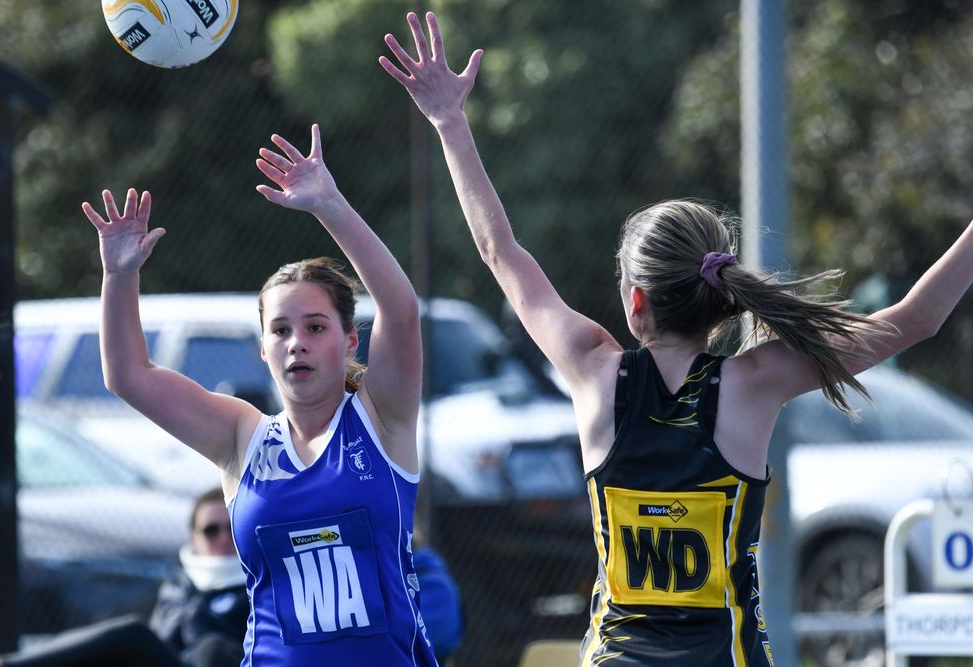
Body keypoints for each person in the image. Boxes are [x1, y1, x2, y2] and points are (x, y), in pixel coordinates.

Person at [379, 11, 973, 665]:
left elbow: (499, 251)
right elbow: (918, 316)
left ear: (634, 301)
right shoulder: (754, 385)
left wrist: (450, 123)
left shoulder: (594, 371)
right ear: (721, 300)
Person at [79, 125, 436, 666]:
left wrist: (330, 206)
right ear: (263, 349)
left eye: (316, 327)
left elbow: (401, 308)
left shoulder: (381, 416)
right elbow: (128, 374)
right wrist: (118, 275)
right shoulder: (241, 437)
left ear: (350, 340)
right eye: (281, 331)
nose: (297, 344)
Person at [0, 487, 247, 667]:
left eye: (231, 528)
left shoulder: (258, 580)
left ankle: (0, 665)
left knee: (200, 646)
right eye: (211, 530)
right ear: (194, 536)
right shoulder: (181, 584)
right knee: (122, 637)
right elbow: (164, 638)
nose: (223, 538)